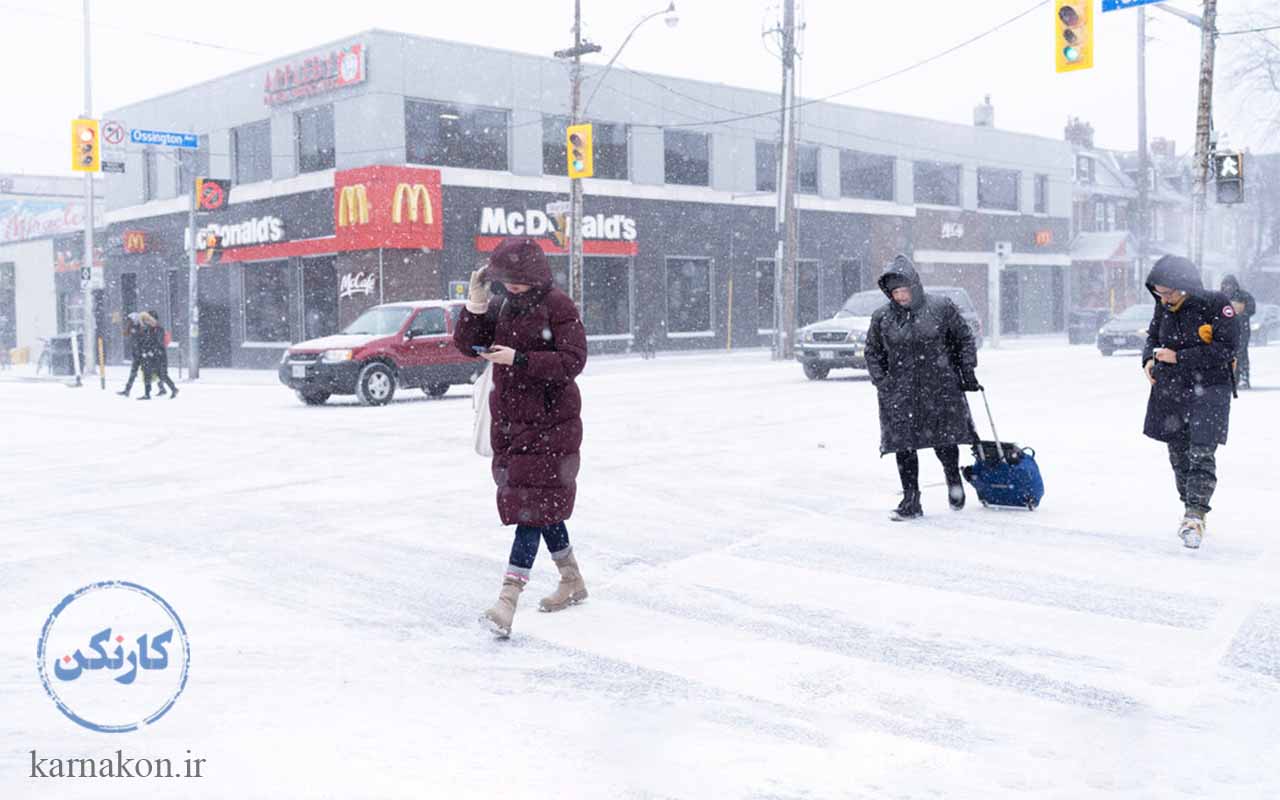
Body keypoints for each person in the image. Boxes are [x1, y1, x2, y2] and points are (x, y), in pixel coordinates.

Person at [453, 238, 589, 638]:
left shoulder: (558, 305)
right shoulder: (502, 305)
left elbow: (573, 360)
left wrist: (521, 359)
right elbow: (467, 346)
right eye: (503, 281)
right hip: (512, 424)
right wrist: (475, 304)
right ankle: (572, 580)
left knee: (531, 510)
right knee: (541, 506)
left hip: (552, 424)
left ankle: (507, 601)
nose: (509, 287)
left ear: (532, 275)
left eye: (515, 280)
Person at [865, 255, 981, 521]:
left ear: (914, 288)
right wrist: (882, 382)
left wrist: (967, 370)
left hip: (940, 387)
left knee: (945, 439)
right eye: (895, 292)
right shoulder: (882, 317)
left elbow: (963, 338)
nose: (900, 297)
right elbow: (873, 351)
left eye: (904, 291)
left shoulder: (940, 307)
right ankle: (911, 500)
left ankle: (953, 480)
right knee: (903, 447)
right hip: (900, 393)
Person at [1143, 256, 1238, 548]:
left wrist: (1180, 356)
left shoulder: (1216, 305)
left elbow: (1227, 348)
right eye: (1159, 293)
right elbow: (1151, 337)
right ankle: (1189, 506)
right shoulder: (1164, 307)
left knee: (1201, 452)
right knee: (1179, 455)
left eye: (1169, 292)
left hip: (1209, 390)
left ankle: (1195, 515)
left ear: (1185, 286)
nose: (1164, 299)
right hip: (1171, 391)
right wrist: (1148, 359)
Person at [1219, 275, 1257, 389]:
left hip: (1241, 330)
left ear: (1235, 285)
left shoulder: (1244, 296)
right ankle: (1230, 378)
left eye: (1230, 284)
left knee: (1241, 353)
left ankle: (1244, 378)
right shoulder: (1219, 297)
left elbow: (1251, 309)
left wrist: (1241, 314)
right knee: (1226, 354)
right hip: (1224, 330)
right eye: (1225, 285)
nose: (1228, 287)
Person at [117, 313, 147, 397]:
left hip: (142, 354)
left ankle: (159, 388)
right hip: (136, 354)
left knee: (149, 373)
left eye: (130, 320)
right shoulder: (132, 327)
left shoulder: (142, 327)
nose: (129, 322)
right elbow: (125, 333)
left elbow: (143, 339)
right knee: (133, 373)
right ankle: (127, 390)